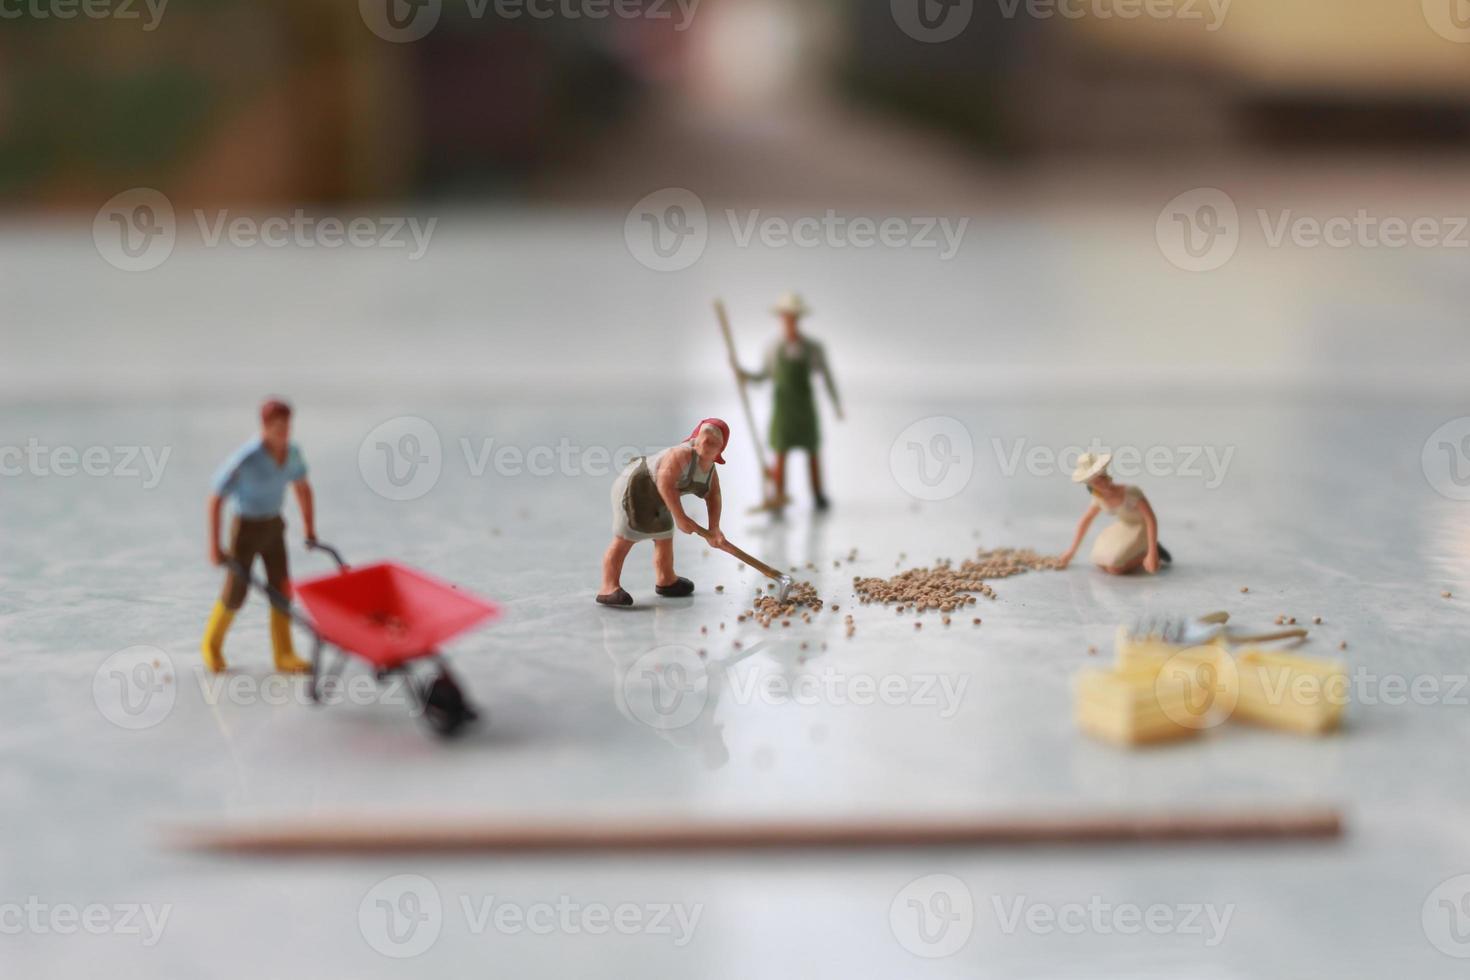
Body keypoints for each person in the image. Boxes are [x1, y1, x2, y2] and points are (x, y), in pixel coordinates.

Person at [201, 399, 316, 672]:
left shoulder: (292, 453)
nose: (284, 432)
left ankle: (284, 653)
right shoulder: (247, 458)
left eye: (288, 426)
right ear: (264, 426)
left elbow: (302, 488)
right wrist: (214, 546)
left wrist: (309, 528)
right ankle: (211, 644)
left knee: (282, 588)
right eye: (278, 427)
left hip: (274, 526)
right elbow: (216, 498)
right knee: (236, 591)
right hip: (246, 529)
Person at [598, 419, 730, 606]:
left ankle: (666, 579)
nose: (704, 445)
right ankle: (608, 586)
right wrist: (681, 517)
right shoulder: (682, 455)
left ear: (720, 450)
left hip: (660, 498)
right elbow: (665, 483)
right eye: (703, 438)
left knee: (664, 538)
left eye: (712, 443)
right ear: (696, 438)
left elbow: (713, 496)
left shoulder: (709, 470)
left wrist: (714, 529)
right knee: (625, 538)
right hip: (635, 486)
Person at [734, 291, 842, 510]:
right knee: (780, 451)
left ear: (799, 318)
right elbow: (764, 375)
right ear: (781, 318)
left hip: (804, 407)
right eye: (786, 316)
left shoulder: (813, 348)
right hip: (783, 409)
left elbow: (827, 376)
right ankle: (779, 495)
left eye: (793, 316)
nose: (789, 320)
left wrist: (836, 404)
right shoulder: (773, 348)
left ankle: (818, 494)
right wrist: (744, 375)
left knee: (812, 450)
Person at [1058, 452, 1172, 575]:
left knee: (1115, 568)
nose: (1102, 483)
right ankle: (1139, 551)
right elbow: (1086, 520)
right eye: (1096, 482)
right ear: (1091, 486)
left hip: (1141, 528)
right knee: (1099, 560)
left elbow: (1150, 518)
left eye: (1102, 477)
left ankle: (1150, 551)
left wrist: (1152, 552)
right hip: (1124, 527)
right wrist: (1071, 551)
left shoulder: (1131, 492)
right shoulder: (1099, 499)